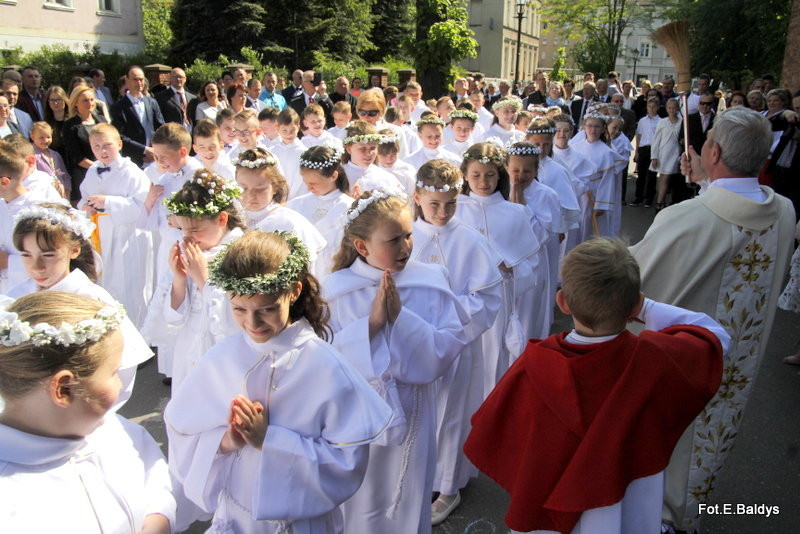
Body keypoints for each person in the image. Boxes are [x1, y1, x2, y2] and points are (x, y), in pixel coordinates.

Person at [465, 238, 728, 534]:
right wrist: (646, 308)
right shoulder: (655, 360)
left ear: (562, 301)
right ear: (633, 305)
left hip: (548, 505)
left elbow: (498, 429)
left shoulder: (535, 363)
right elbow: (715, 335)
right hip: (623, 499)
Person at [630, 107, 796, 533]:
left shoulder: (687, 218)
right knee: (707, 450)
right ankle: (692, 514)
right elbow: (733, 207)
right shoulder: (785, 212)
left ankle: (664, 520)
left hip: (686, 367)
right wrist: (707, 182)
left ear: (714, 149)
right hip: (739, 364)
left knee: (671, 450)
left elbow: (630, 279)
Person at [164, 229, 391, 533]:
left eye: (267, 309)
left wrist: (269, 441)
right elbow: (185, 430)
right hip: (237, 516)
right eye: (239, 309)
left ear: (294, 291)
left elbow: (346, 464)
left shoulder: (324, 365)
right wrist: (227, 440)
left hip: (298, 523)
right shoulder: (224, 356)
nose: (252, 323)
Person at [322, 188, 467, 533]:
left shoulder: (430, 280)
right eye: (393, 240)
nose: (405, 247)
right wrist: (371, 326)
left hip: (415, 409)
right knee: (362, 503)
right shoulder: (335, 290)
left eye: (408, 235)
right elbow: (322, 361)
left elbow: (446, 349)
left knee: (407, 497)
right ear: (362, 246)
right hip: (356, 417)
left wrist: (403, 319)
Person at [0, 291, 175, 533]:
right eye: (114, 372)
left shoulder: (117, 430)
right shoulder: (10, 502)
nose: (121, 385)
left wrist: (158, 518)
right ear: (64, 389)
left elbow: (154, 479)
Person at [410, 160, 502, 524]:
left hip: (455, 343)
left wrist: (447, 323)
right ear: (417, 197)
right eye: (434, 204)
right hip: (413, 343)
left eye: (450, 203)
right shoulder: (405, 235)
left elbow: (487, 298)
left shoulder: (469, 240)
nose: (443, 212)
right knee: (418, 411)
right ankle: (419, 476)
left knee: (451, 413)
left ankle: (448, 485)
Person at [7, 201, 152, 408]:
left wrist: (92, 411)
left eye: (48, 255)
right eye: (26, 255)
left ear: (74, 250)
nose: (37, 267)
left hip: (77, 408)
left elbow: (122, 365)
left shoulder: (91, 299)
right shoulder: (15, 298)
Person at [144, 170, 244, 390]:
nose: (187, 238)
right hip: (189, 344)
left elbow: (238, 318)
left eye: (196, 229)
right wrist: (179, 280)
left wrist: (203, 280)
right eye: (182, 230)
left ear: (222, 218)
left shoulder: (241, 253)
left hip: (222, 348)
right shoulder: (188, 248)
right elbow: (173, 320)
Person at [456, 142, 542, 395]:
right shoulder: (454, 210)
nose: (483, 182)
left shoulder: (515, 213)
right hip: (462, 297)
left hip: (498, 297)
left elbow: (532, 263)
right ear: (464, 175)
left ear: (500, 175)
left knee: (494, 357)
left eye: (490, 175)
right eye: (476, 175)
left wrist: (512, 266)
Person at [76, 123, 153, 326]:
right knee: (106, 282)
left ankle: (136, 328)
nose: (102, 151)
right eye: (96, 146)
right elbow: (83, 197)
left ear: (119, 144)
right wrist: (85, 206)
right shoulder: (92, 171)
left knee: (127, 283)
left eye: (107, 145)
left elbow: (142, 206)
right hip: (100, 235)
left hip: (125, 236)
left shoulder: (132, 172)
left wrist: (108, 202)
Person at [233, 147, 326, 268]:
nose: (251, 195)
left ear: (275, 187)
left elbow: (307, 268)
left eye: (259, 189)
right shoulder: (231, 219)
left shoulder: (289, 222)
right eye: (243, 188)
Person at [505, 142, 562, 338]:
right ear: (506, 168)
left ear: (537, 169)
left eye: (527, 170)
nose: (520, 175)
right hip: (505, 262)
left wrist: (522, 205)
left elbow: (540, 236)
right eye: (515, 170)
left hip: (533, 261)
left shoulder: (546, 195)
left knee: (528, 313)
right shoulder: (501, 192)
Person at [288, 145, 352, 277]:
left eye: (314, 183)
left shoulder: (349, 207)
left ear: (333, 176)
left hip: (334, 276)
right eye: (306, 182)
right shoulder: (296, 205)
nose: (309, 188)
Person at [570, 111, 627, 238]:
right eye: (589, 125)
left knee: (591, 225)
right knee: (576, 225)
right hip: (577, 192)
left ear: (602, 129)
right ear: (584, 127)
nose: (593, 129)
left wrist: (601, 203)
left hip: (595, 193)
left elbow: (607, 181)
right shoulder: (574, 146)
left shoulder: (606, 152)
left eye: (597, 126)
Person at [110, 66, 164, 167]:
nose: (139, 83)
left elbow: (161, 128)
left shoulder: (152, 102)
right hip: (133, 160)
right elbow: (120, 136)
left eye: (141, 79)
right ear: (127, 80)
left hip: (155, 158)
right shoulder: (118, 107)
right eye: (135, 79)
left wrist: (156, 151)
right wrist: (144, 150)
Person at [62, 85, 108, 199]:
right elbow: (76, 156)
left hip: (106, 172)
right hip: (85, 175)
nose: (90, 103)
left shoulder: (101, 120)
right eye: (85, 100)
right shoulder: (70, 125)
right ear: (76, 103)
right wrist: (99, 168)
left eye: (92, 100)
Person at [341, 120, 402, 196]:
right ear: (349, 149)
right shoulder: (339, 176)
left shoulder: (384, 177)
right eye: (362, 149)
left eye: (373, 148)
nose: (369, 153)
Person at [650, 98, 686, 209]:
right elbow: (656, 140)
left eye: (674, 107)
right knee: (662, 178)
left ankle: (660, 202)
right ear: (666, 109)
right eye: (669, 108)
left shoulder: (682, 122)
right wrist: (654, 156)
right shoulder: (662, 122)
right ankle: (662, 200)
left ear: (678, 109)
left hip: (675, 153)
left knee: (666, 178)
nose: (672, 110)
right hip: (663, 153)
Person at [270, 107, 307, 199]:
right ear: (277, 128)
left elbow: (301, 179)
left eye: (292, 130)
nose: (288, 134)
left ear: (298, 128)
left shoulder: (304, 152)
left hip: (298, 197)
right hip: (277, 197)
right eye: (284, 130)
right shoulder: (272, 151)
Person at [632, 96, 661, 208]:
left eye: (654, 106)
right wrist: (637, 151)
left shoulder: (660, 121)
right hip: (643, 148)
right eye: (649, 106)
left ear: (657, 107)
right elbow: (639, 135)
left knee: (652, 175)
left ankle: (649, 197)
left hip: (654, 148)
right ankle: (638, 197)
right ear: (647, 107)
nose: (651, 109)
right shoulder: (642, 121)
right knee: (641, 174)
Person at [30, 121, 70, 198]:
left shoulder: (55, 155)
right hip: (44, 194)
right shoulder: (32, 155)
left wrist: (67, 190)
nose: (45, 140)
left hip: (61, 193)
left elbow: (65, 174)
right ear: (32, 136)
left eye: (48, 137)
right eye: (41, 137)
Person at [42, 85, 69, 157]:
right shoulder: (45, 124)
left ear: (65, 100)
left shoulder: (73, 121)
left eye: (59, 99)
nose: (55, 103)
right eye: (52, 100)